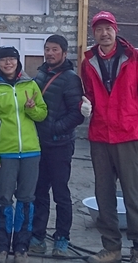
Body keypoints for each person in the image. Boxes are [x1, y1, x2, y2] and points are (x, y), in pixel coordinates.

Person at [80, 12, 138, 263]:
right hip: (101, 135)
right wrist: (85, 104)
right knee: (104, 194)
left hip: (128, 134)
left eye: (108, 28)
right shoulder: (88, 61)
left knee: (133, 194)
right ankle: (111, 248)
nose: (104, 33)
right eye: (99, 29)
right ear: (94, 33)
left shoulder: (135, 58)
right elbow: (89, 94)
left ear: (116, 30)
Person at [0, 46, 48, 263]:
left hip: (31, 152)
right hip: (6, 153)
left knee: (27, 199)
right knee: (3, 199)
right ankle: (1, 246)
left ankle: (21, 247)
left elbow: (41, 114)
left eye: (11, 60)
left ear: (17, 62)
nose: (8, 63)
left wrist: (31, 108)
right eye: (3, 60)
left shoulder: (30, 85)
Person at [27, 35, 85, 257]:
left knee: (61, 194)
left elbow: (77, 114)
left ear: (63, 52)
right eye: (47, 49)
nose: (50, 53)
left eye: (54, 49)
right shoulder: (40, 74)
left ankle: (62, 238)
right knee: (39, 192)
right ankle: (38, 236)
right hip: (39, 145)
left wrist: (54, 128)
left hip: (59, 145)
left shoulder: (71, 79)